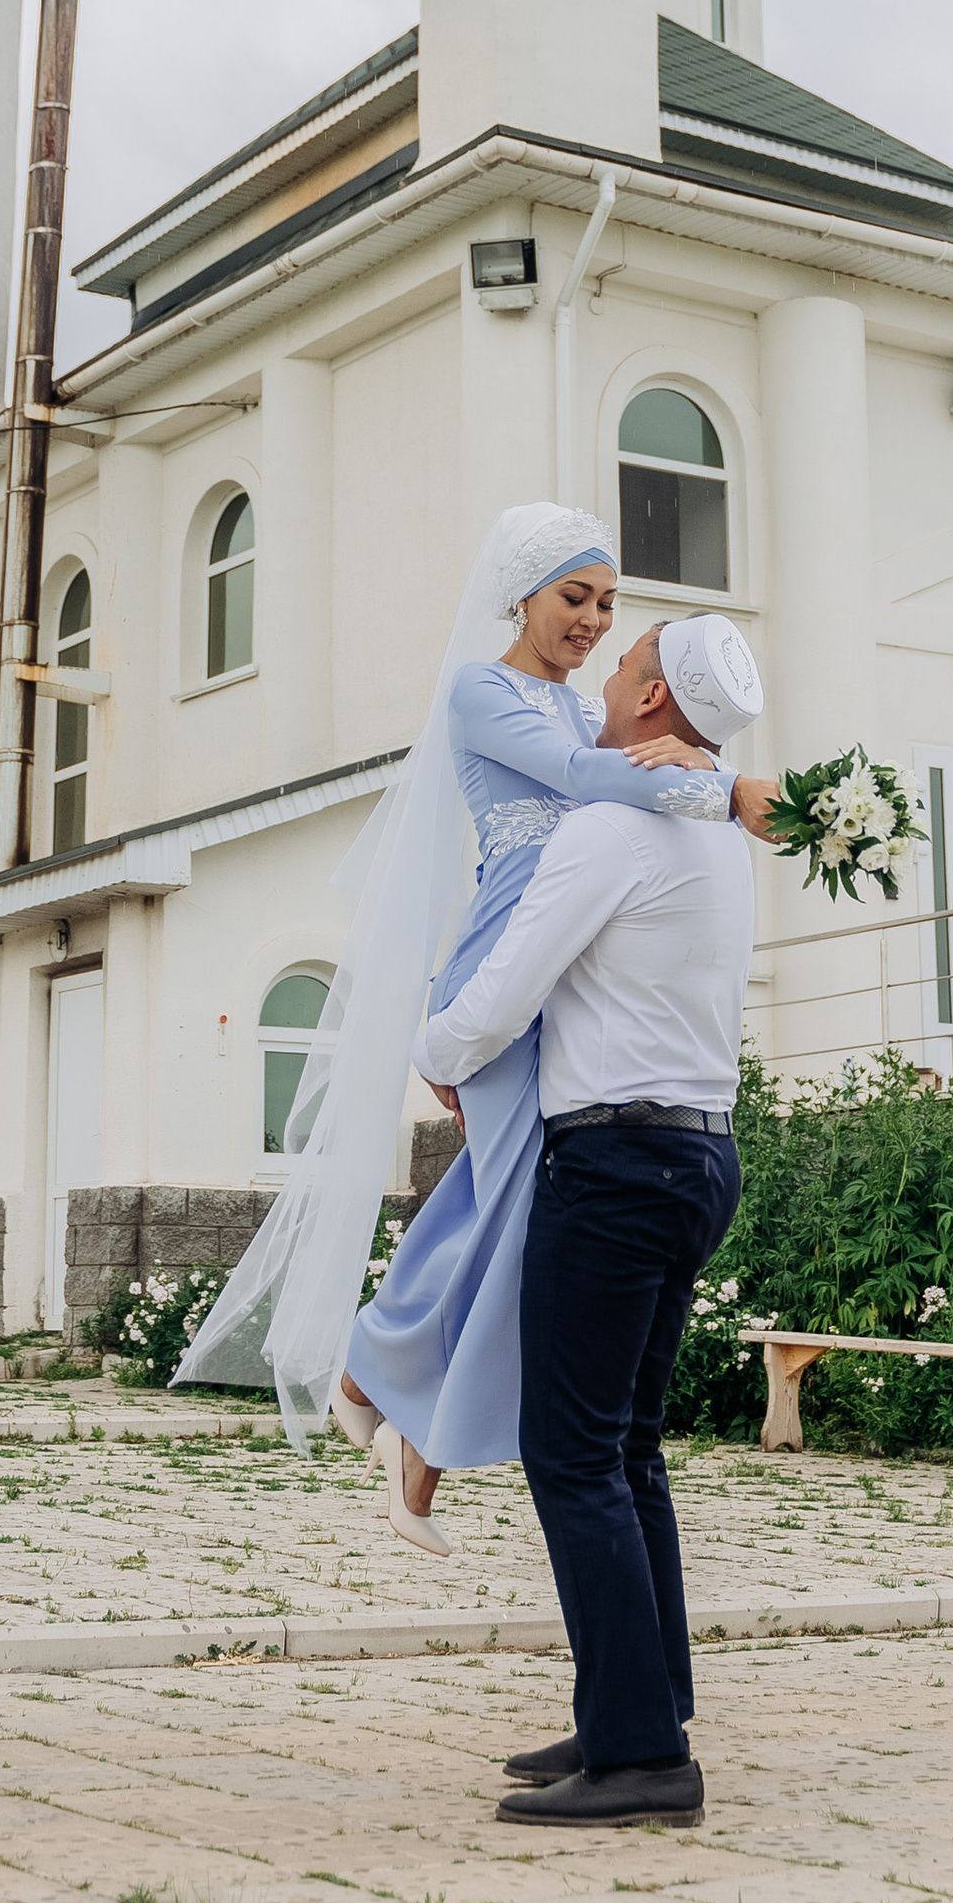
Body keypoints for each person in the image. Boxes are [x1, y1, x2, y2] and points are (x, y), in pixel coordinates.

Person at [172, 508, 774, 1523]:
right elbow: (585, 780)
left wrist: (705, 772)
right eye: (575, 597)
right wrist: (727, 789)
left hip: (555, 985)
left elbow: (623, 790)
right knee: (515, 1210)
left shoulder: (586, 708)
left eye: (608, 604)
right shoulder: (480, 692)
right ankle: (402, 1412)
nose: (593, 621)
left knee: (509, 1205)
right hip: (495, 977)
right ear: (522, 596)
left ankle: (393, 1398)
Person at [411, 612, 765, 1830]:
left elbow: (506, 988)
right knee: (627, 1447)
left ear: (654, 699)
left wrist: (433, 1052)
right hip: (699, 1152)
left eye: (625, 661)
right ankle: (638, 1707)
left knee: (572, 1452)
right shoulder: (717, 836)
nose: (606, 672)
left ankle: (642, 1759)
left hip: (613, 1162)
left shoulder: (609, 829)